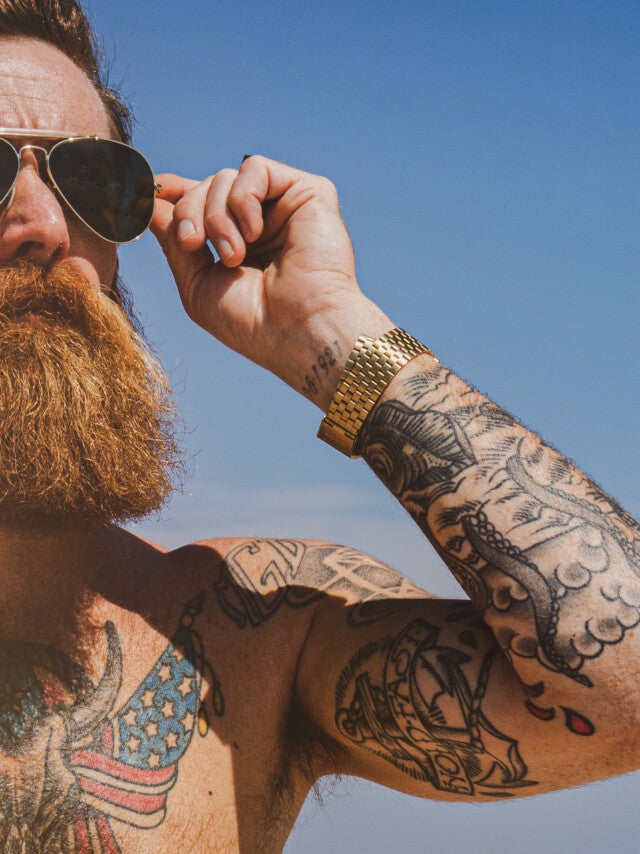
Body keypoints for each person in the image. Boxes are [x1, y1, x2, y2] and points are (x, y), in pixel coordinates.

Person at [0, 0, 637, 851]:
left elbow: (619, 690)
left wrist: (332, 332)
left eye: (87, 181)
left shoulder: (244, 635)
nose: (41, 228)